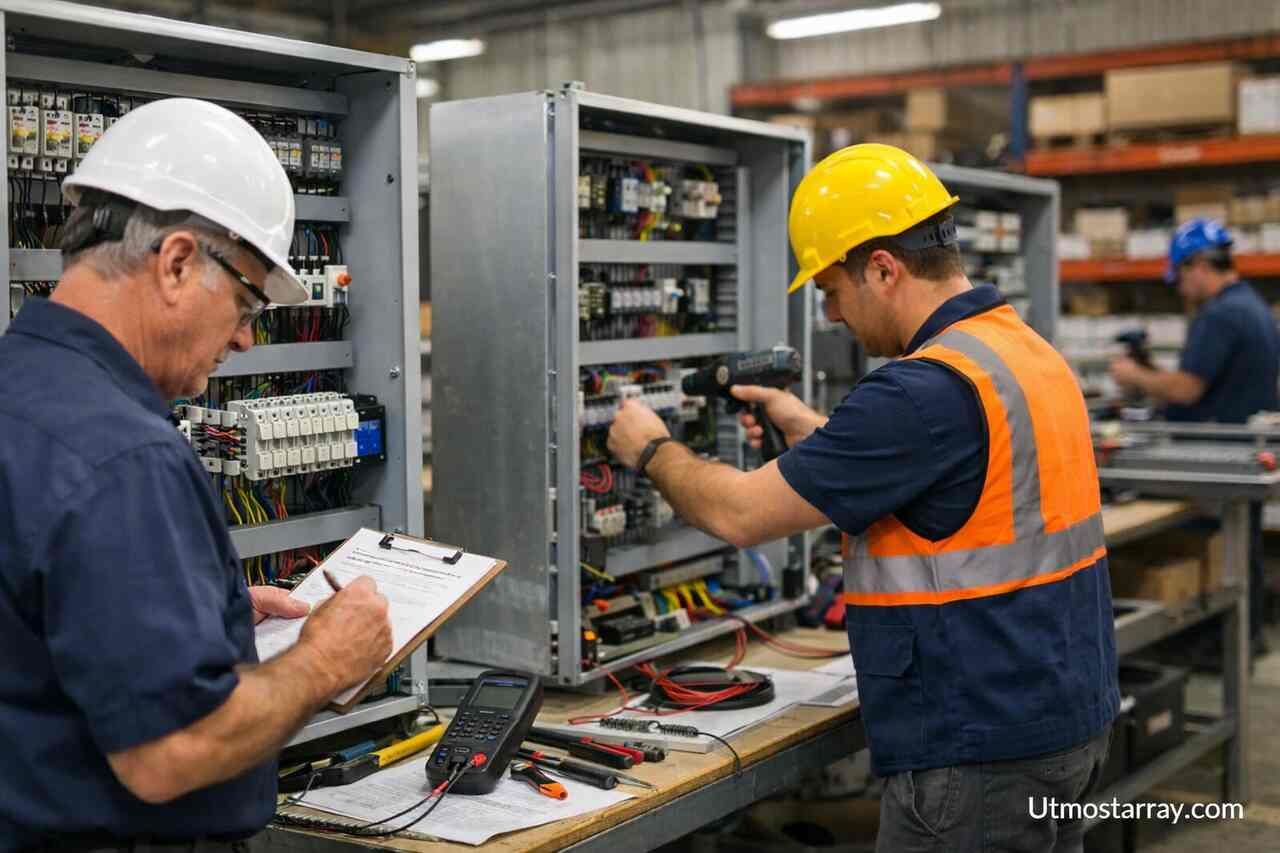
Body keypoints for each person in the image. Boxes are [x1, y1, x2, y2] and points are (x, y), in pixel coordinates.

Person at [610, 144, 1118, 852]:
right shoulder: (1021, 350)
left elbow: (739, 512)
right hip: (1061, 720)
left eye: (831, 290)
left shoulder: (917, 390)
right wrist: (813, 431)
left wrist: (651, 448)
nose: (832, 313)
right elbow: (955, 477)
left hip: (976, 751)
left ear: (883, 267)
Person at [0, 98, 392, 851]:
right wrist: (323, 660)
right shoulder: (124, 453)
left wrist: (193, 614)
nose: (246, 337)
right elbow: (171, 751)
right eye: (245, 301)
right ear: (178, 262)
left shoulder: (20, 393)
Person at [1111, 218, 1280, 657]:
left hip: (1212, 458)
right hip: (1242, 452)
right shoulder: (1255, 307)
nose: (1182, 289)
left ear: (1201, 265)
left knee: (1214, 552)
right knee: (1242, 549)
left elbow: (1188, 388)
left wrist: (1135, 375)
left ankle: (1210, 644)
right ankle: (1246, 638)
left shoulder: (1220, 315)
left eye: (1182, 276)